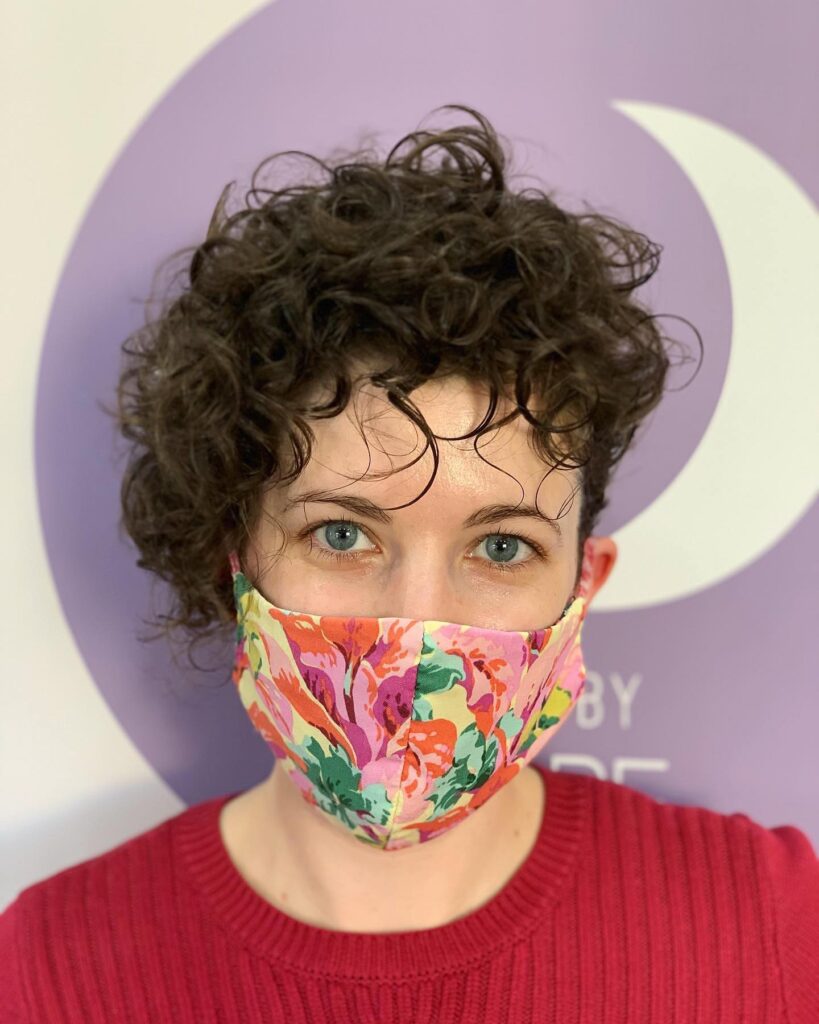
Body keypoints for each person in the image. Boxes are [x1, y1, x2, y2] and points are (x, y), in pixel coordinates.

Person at [1, 104, 816, 1023]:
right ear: (234, 556)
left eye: (501, 546)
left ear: (583, 584)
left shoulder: (776, 923)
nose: (418, 625)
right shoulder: (51, 966)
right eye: (343, 535)